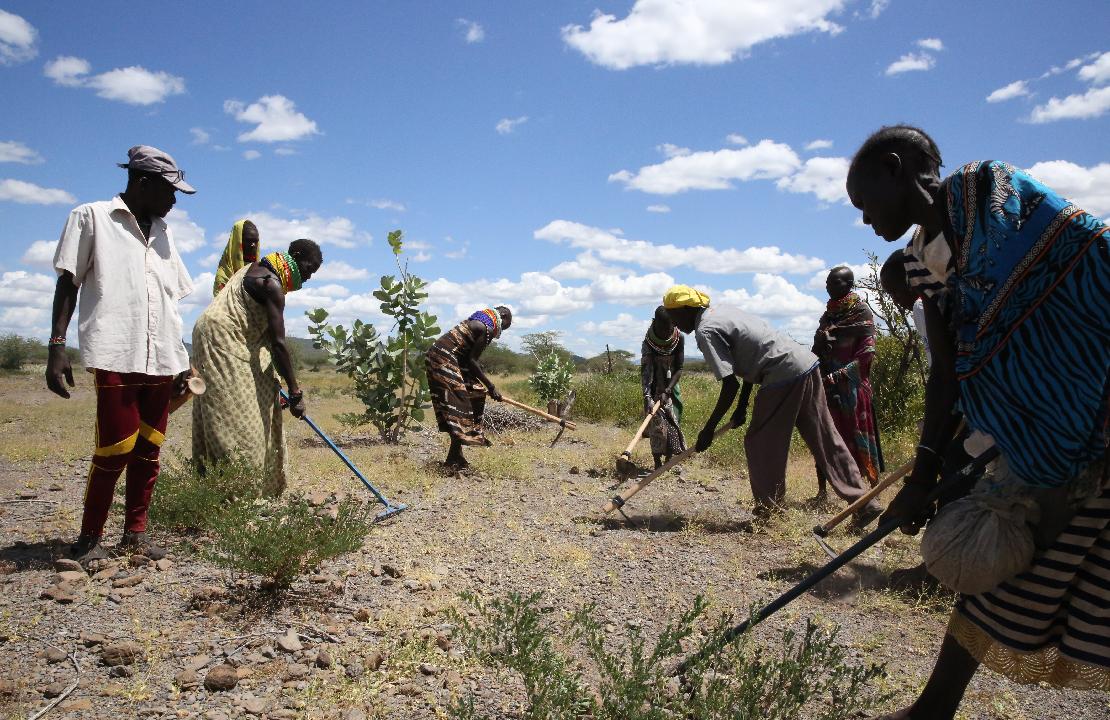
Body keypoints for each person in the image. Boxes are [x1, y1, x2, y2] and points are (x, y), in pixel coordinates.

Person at [847, 124, 1109, 717]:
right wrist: (922, 477)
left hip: (1098, 409)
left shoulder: (997, 194)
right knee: (995, 560)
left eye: (865, 203)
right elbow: (948, 372)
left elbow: (1094, 260)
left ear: (896, 168)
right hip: (1033, 439)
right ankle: (933, 709)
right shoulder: (921, 264)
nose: (865, 221)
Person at [45, 145, 197, 564]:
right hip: (117, 349)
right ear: (142, 182)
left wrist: (182, 359)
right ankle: (90, 538)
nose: (173, 201)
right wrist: (57, 346)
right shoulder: (91, 217)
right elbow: (68, 283)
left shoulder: (164, 232)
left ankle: (135, 534)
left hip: (163, 356)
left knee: (150, 450)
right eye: (169, 190)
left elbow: (170, 299)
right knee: (113, 450)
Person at [662, 285, 882, 524]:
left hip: (782, 375)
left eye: (673, 315)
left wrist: (708, 429)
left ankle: (770, 511)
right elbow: (748, 360)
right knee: (825, 437)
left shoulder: (706, 330)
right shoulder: (722, 312)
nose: (674, 323)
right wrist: (742, 407)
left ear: (685, 309)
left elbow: (729, 385)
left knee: (761, 442)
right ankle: (864, 502)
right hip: (805, 364)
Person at [191, 240, 323, 496]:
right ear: (294, 256)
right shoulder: (271, 284)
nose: (307, 278)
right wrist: (296, 392)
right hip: (222, 340)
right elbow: (278, 344)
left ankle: (239, 490)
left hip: (225, 338)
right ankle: (239, 495)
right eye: (308, 269)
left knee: (259, 398)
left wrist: (277, 385)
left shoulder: (254, 269)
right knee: (237, 420)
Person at [812, 266, 883, 497]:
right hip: (827, 384)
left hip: (853, 387)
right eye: (827, 283)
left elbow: (866, 355)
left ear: (849, 284)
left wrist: (839, 375)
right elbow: (819, 350)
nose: (828, 287)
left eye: (835, 283)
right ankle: (823, 490)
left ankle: (871, 490)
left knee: (858, 434)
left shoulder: (862, 313)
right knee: (826, 435)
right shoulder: (828, 316)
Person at [426, 307, 512, 469]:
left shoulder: (479, 322)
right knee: (460, 405)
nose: (502, 331)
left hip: (443, 356)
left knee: (476, 392)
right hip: (444, 358)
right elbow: (473, 361)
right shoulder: (486, 328)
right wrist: (491, 386)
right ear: (504, 316)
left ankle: (455, 454)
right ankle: (453, 458)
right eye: (507, 324)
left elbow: (466, 357)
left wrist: (486, 387)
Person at [641, 306, 686, 468]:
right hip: (653, 386)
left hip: (672, 386)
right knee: (656, 424)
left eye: (670, 328)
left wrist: (668, 390)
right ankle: (657, 462)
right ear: (654, 323)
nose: (667, 332)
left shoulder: (679, 338)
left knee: (673, 422)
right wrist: (648, 396)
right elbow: (646, 371)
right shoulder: (648, 341)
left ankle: (668, 459)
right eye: (662, 328)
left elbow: (679, 368)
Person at [213, 219, 261, 296]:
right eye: (249, 240)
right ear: (237, 241)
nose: (253, 245)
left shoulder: (259, 269)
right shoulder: (225, 274)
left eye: (255, 241)